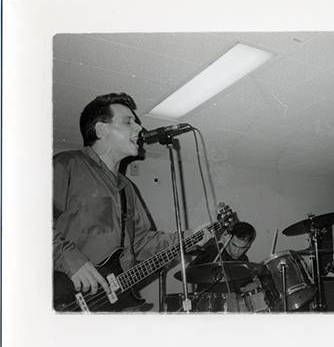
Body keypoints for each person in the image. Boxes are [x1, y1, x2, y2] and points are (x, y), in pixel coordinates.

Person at [53, 92, 211, 312]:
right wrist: (69, 259)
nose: (139, 128)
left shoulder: (127, 188)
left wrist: (187, 237)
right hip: (64, 301)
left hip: (117, 305)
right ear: (101, 129)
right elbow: (27, 220)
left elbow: (142, 242)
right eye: (128, 122)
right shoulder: (67, 164)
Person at [185, 221, 257, 311]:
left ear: (249, 245)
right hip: (207, 304)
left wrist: (260, 282)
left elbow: (243, 288)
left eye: (242, 248)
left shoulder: (244, 260)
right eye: (234, 245)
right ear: (228, 238)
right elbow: (189, 274)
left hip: (231, 306)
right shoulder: (213, 251)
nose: (236, 251)